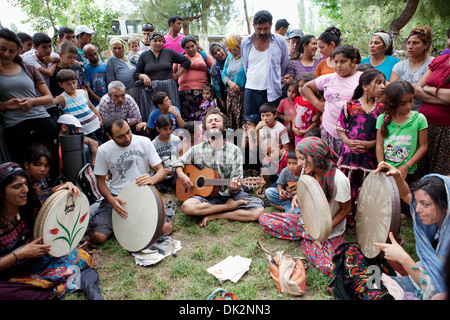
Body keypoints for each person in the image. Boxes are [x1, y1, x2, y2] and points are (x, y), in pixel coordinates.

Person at [0, 162, 103, 300]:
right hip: (10, 274)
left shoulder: (30, 206)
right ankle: (62, 285)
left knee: (80, 257)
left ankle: (88, 289)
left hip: (36, 262)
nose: (25, 190)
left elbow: (53, 202)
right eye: (17, 187)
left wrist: (65, 190)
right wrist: (19, 254)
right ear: (1, 192)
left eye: (25, 184)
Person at [259, 137, 351, 275]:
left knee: (328, 266)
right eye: (298, 159)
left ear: (316, 156)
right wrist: (297, 197)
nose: (300, 163)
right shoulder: (307, 171)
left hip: (329, 231)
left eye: (302, 158)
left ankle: (308, 239)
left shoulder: (340, 180)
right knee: (264, 219)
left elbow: (345, 210)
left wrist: (321, 233)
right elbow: (303, 191)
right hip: (304, 222)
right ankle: (307, 237)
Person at [88, 114, 174, 244]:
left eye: (128, 132)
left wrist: (153, 179)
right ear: (110, 136)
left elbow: (161, 170)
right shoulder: (103, 150)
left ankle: (163, 210)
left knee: (166, 229)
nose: (127, 138)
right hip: (117, 196)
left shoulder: (144, 142)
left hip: (144, 193)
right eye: (120, 136)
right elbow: (100, 182)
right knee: (97, 237)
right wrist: (111, 200)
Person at [173, 109, 265, 227]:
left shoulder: (234, 150)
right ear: (205, 129)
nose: (213, 122)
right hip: (205, 195)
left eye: (217, 120)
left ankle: (215, 215)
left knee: (259, 211)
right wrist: (182, 175)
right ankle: (228, 207)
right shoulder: (198, 149)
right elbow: (178, 162)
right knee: (187, 207)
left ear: (225, 127)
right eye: (210, 121)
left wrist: (234, 186)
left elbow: (236, 180)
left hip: (230, 194)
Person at [373, 161, 450, 300]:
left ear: (446, 206)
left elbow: (437, 289)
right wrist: (397, 177)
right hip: (422, 274)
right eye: (417, 202)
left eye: (425, 204)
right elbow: (407, 195)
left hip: (430, 289)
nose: (417, 209)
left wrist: (403, 258)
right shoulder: (441, 220)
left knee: (372, 287)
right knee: (367, 272)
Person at [0, 28, 59, 183]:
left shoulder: (28, 68)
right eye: (2, 49)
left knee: (50, 165)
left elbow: (48, 99)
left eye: (12, 51)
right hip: (16, 126)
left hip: (41, 119)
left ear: (18, 52)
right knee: (25, 170)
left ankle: (54, 192)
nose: (7, 54)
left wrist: (32, 101)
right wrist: (6, 105)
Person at [336, 68, 386, 226]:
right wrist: (348, 142)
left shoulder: (381, 109)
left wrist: (370, 144)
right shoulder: (349, 106)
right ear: (364, 86)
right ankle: (344, 219)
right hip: (349, 156)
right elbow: (340, 127)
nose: (383, 86)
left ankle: (362, 222)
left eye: (384, 82)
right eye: (378, 83)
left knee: (365, 190)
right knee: (347, 187)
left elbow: (384, 135)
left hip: (369, 158)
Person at [302, 45, 362, 154]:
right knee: (329, 163)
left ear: (353, 62)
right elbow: (306, 87)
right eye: (336, 61)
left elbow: (383, 89)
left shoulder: (362, 79)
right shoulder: (329, 78)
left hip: (351, 134)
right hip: (328, 130)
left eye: (343, 62)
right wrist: (319, 105)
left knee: (346, 165)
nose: (338, 66)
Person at [376, 80, 428, 180]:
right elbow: (379, 145)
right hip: (387, 171)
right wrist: (381, 165)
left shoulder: (419, 119)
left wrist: (406, 166)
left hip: (408, 172)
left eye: (411, 101)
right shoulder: (382, 119)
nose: (408, 106)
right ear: (391, 102)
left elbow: (423, 146)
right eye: (402, 103)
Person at [241, 10, 289, 115]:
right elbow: (245, 65)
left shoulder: (280, 41)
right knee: (251, 123)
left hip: (272, 92)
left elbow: (284, 64)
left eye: (266, 28)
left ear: (271, 26)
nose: (263, 32)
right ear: (253, 26)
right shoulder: (246, 42)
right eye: (259, 29)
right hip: (251, 90)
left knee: (271, 126)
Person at [134, 31, 190, 121]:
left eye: (160, 41)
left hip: (168, 88)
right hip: (152, 90)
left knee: (171, 112)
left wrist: (176, 75)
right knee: (153, 113)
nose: (158, 43)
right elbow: (136, 73)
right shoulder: (144, 55)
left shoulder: (169, 53)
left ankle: (174, 132)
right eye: (155, 41)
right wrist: (144, 76)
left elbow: (186, 61)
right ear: (150, 42)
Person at [413, 50, 449, 177]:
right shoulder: (440, 60)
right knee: (417, 170)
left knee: (439, 175)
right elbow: (417, 89)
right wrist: (443, 99)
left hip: (445, 130)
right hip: (423, 124)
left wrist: (430, 89)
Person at [52, 69, 104, 144]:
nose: (72, 86)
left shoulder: (82, 92)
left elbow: (91, 106)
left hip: (96, 125)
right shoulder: (62, 97)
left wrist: (100, 119)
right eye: (68, 84)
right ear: (61, 85)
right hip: (83, 131)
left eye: (74, 82)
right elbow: (50, 102)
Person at [390, 26, 434, 111]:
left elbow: (435, 90)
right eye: (409, 43)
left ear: (426, 45)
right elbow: (393, 90)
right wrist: (421, 88)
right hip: (403, 113)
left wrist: (403, 85)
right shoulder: (399, 66)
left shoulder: (433, 63)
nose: (410, 46)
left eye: (415, 43)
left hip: (426, 113)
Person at [22, 32, 61, 122]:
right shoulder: (29, 59)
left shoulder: (53, 56)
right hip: (37, 102)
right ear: (35, 47)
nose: (48, 50)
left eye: (49, 46)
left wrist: (55, 59)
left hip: (52, 102)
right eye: (44, 47)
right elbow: (48, 73)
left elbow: (64, 59)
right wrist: (55, 62)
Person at [176, 36, 214, 122]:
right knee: (187, 118)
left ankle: (201, 135)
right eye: (187, 47)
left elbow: (214, 71)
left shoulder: (203, 55)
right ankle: (189, 135)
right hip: (184, 93)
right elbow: (174, 74)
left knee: (202, 117)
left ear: (196, 45)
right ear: (184, 49)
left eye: (192, 46)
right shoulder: (179, 58)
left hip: (203, 93)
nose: (191, 49)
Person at [152, 114, 182, 193]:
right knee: (160, 187)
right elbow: (151, 162)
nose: (169, 132)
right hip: (161, 172)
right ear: (158, 129)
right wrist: (161, 170)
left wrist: (174, 168)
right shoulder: (154, 144)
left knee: (176, 183)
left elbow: (181, 155)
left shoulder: (176, 139)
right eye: (165, 129)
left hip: (175, 171)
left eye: (170, 128)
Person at [222, 34, 246, 130]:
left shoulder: (246, 56)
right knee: (232, 122)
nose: (227, 48)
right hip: (231, 96)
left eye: (230, 46)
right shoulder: (230, 57)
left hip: (243, 95)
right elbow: (223, 74)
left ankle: (244, 144)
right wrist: (230, 83)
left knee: (243, 121)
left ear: (237, 46)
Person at [292, 73, 321, 146]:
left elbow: (316, 121)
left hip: (308, 135)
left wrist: (306, 131)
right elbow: (294, 114)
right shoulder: (297, 99)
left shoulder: (315, 101)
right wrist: (293, 127)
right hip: (297, 133)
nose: (301, 89)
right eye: (299, 86)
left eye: (303, 86)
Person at [277, 80, 298, 149]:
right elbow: (277, 113)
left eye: (293, 92)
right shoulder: (283, 102)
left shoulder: (299, 102)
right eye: (289, 91)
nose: (290, 94)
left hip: (297, 131)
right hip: (288, 133)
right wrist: (285, 118)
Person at [209, 42, 229, 112]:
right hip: (224, 96)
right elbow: (216, 86)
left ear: (223, 49)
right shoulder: (214, 68)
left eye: (219, 49)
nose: (218, 53)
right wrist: (220, 100)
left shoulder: (234, 60)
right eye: (215, 53)